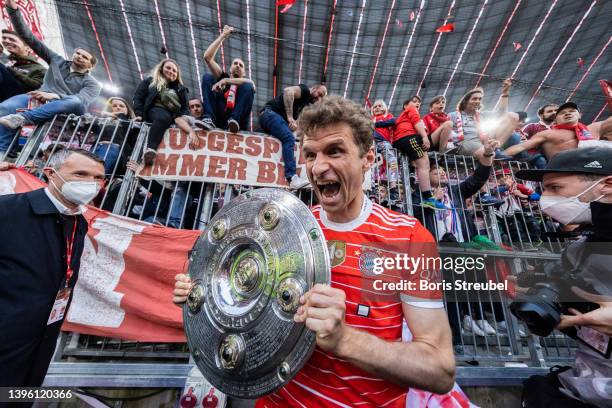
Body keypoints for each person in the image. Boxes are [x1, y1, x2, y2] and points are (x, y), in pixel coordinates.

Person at [174, 96, 461, 406]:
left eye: (335, 151)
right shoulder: (287, 228)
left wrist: (345, 340)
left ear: (367, 159)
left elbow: (440, 370)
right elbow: (252, 307)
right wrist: (207, 294)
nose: (319, 167)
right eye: (310, 155)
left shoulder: (408, 238)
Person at [515, 147, 612, 407]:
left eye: (555, 188)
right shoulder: (577, 251)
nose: (544, 199)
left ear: (608, 185)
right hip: (583, 390)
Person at [0, 148, 105, 387]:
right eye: (81, 173)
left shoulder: (79, 223)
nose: (92, 183)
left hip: (38, 342)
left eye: (98, 178)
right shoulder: (8, 209)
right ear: (51, 174)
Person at [0, 0, 101, 157]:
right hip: (39, 98)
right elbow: (28, 37)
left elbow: (82, 100)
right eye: (78, 53)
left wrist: (55, 96)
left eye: (84, 56)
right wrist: (12, 9)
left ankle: (22, 118)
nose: (79, 56)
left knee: (75, 101)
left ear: (90, 66)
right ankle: (5, 152)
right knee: (6, 107)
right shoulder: (56, 60)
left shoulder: (93, 83)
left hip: (70, 109)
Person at [259, 83, 327, 189]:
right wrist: (290, 117)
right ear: (313, 88)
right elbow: (288, 91)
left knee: (289, 137)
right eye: (320, 94)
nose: (319, 98)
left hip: (272, 118)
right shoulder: (305, 91)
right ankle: (292, 177)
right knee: (289, 138)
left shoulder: (304, 105)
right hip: (270, 114)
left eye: (321, 98)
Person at [385, 95, 447, 209]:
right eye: (414, 101)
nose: (417, 104)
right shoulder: (411, 110)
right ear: (405, 106)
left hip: (402, 140)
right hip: (409, 137)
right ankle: (428, 198)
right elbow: (417, 122)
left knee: (423, 163)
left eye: (419, 102)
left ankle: (414, 178)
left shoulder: (400, 118)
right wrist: (424, 137)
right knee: (424, 165)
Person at [133, 58, 194, 166]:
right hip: (154, 110)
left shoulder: (181, 89)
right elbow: (138, 97)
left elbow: (185, 108)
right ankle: (150, 150)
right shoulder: (150, 81)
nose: (171, 71)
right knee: (163, 117)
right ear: (161, 69)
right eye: (168, 68)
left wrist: (183, 119)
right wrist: (139, 114)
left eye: (174, 71)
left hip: (174, 116)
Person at [201, 25, 255, 133]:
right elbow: (207, 57)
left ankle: (234, 120)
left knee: (248, 87)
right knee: (207, 77)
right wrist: (223, 36)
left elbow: (251, 83)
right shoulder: (222, 76)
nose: (238, 66)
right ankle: (208, 118)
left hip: (238, 122)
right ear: (230, 68)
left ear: (244, 72)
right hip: (221, 117)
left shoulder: (244, 84)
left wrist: (226, 81)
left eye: (241, 65)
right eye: (235, 63)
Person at [504, 102, 606, 159]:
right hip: (552, 165)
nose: (568, 113)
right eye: (562, 113)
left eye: (572, 111)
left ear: (580, 115)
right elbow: (521, 144)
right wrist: (492, 156)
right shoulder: (543, 132)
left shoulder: (593, 129)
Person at [448, 80, 518, 161]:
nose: (477, 101)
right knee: (484, 150)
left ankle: (496, 149)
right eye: (474, 99)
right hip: (465, 142)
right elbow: (445, 131)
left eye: (479, 99)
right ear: (465, 101)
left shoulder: (482, 115)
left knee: (512, 116)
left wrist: (505, 93)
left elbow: (501, 113)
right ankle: (491, 153)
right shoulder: (453, 115)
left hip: (482, 141)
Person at [92, 96, 138, 176]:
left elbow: (132, 139)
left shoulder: (133, 124)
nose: (118, 108)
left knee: (97, 174)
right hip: (95, 149)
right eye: (114, 106)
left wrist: (121, 116)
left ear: (127, 109)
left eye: (121, 106)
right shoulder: (104, 120)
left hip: (112, 150)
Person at [0, 29, 46, 101]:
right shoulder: (5, 59)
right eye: (4, 38)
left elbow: (37, 86)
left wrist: (11, 70)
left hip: (19, 98)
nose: (7, 41)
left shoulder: (39, 69)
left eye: (12, 39)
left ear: (28, 48)